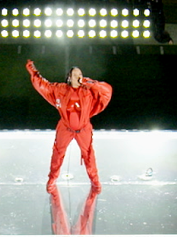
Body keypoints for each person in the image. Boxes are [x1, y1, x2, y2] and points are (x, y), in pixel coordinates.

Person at [25, 60, 113, 191]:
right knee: (58, 153)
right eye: (75, 74)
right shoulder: (60, 90)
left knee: (89, 155)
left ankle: (95, 180)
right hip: (65, 128)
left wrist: (88, 82)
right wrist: (33, 71)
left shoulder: (88, 91)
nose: (78, 76)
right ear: (69, 77)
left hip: (83, 129)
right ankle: (52, 179)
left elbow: (106, 90)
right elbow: (43, 86)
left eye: (80, 74)